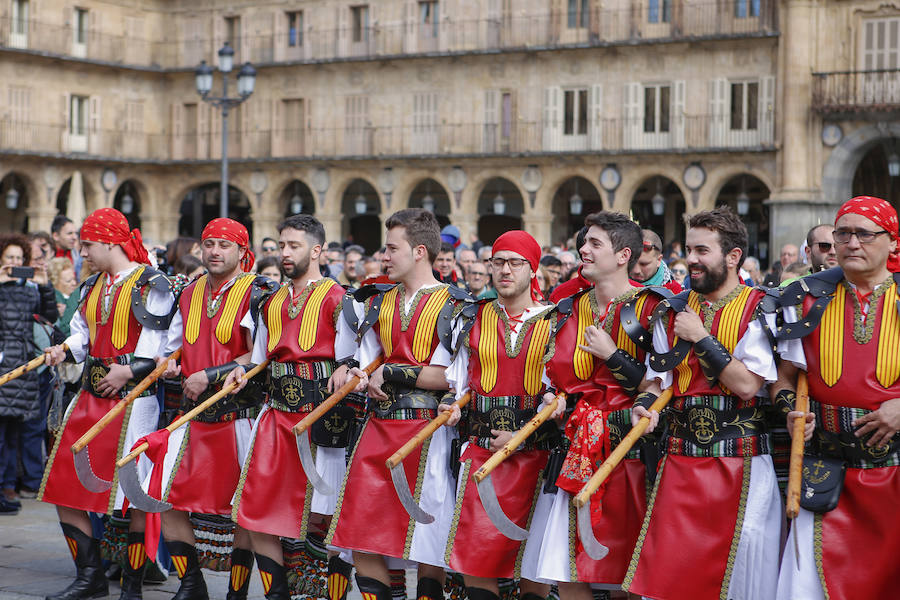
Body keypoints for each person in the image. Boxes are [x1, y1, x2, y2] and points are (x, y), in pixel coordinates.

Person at [625, 207, 780, 600]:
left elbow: (747, 385)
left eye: (702, 250)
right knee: (671, 575)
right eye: (689, 249)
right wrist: (645, 405)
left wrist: (700, 337)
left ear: (732, 256)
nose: (691, 259)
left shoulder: (760, 307)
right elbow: (660, 380)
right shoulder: (670, 310)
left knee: (742, 574)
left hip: (740, 463)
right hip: (680, 462)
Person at [326, 208, 474, 600]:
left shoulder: (457, 305)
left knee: (428, 536)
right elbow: (362, 361)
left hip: (427, 432)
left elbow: (453, 377)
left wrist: (391, 371)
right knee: (360, 533)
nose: (384, 256)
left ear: (420, 251)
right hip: (377, 430)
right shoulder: (376, 302)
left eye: (392, 248)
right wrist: (352, 373)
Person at [41, 208, 174, 600]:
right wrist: (62, 350)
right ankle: (89, 575)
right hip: (89, 396)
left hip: (134, 402)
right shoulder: (90, 286)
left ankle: (131, 584)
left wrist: (129, 371)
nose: (82, 252)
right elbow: (81, 337)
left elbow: (164, 347)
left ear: (112, 242)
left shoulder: (152, 284)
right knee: (62, 486)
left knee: (132, 493)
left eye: (89, 244)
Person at [774, 196, 900, 600]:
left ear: (893, 242)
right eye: (842, 233)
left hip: (894, 473)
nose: (851, 243)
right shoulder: (805, 298)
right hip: (826, 471)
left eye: (864, 233)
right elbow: (783, 380)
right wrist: (790, 411)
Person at [227, 214, 359, 600]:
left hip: (321, 421)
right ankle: (277, 595)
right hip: (274, 416)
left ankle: (319, 595)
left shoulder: (340, 300)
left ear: (317, 250)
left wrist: (347, 371)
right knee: (256, 510)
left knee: (323, 514)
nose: (285, 253)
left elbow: (355, 361)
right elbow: (258, 358)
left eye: (294, 245)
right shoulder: (270, 301)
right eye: (282, 245)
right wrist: (242, 373)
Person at [144, 218, 275, 600]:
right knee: (166, 498)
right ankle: (191, 584)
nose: (215, 252)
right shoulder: (188, 292)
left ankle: (236, 593)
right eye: (209, 244)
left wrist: (209, 374)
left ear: (241, 251)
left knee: (242, 510)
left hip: (240, 416)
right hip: (193, 413)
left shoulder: (259, 292)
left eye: (224, 245)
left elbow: (259, 354)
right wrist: (169, 361)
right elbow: (177, 343)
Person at [536, 212, 662, 600]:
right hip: (575, 450)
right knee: (569, 571)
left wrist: (614, 357)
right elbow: (553, 381)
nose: (583, 250)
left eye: (595, 244)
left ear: (624, 255)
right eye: (584, 242)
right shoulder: (566, 309)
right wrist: (551, 400)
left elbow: (662, 386)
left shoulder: (653, 308)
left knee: (626, 570)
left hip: (631, 454)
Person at [440, 230, 556, 600]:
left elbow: (559, 392)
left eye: (515, 262)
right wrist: (450, 405)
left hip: (536, 456)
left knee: (533, 565)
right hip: (481, 454)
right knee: (478, 560)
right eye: (498, 262)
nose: (505, 270)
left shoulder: (556, 322)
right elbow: (457, 383)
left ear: (532, 269)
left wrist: (523, 435)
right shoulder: (471, 318)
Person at [0, 234, 59, 514]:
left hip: (22, 368)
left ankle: (8, 486)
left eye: (18, 259)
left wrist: (45, 286)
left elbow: (48, 317)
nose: (14, 263)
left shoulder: (30, 289)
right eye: (9, 258)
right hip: (3, 366)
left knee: (14, 431)